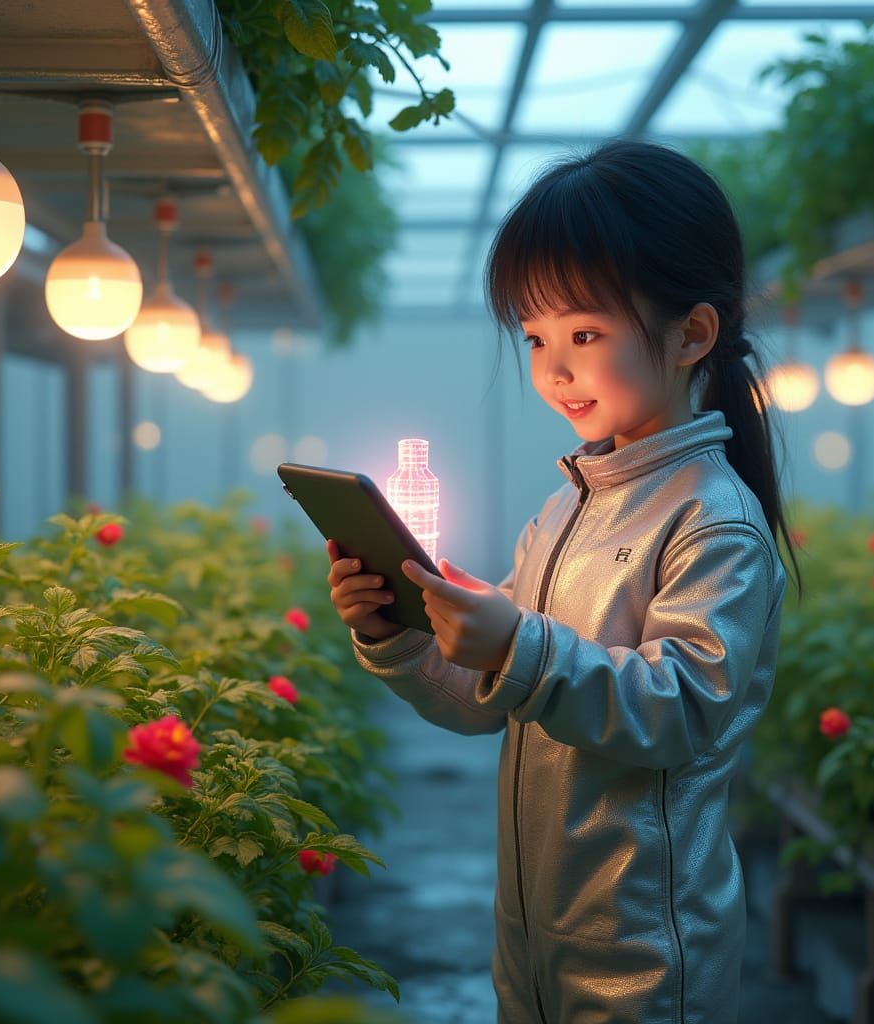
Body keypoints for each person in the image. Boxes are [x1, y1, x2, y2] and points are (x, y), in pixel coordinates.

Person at [324, 138, 804, 1024]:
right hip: (535, 929)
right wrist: (397, 634)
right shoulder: (565, 508)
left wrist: (519, 645)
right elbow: (487, 701)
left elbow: (681, 711)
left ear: (692, 334)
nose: (554, 368)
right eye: (536, 337)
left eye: (585, 334)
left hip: (644, 943)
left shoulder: (714, 520)